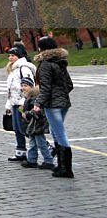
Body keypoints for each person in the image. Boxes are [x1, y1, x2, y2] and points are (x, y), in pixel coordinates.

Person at [33, 36, 74, 178]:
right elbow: (69, 85)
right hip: (64, 102)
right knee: (56, 131)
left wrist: (38, 103)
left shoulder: (45, 65)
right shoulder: (61, 62)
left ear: (41, 48)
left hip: (52, 104)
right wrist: (62, 95)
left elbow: (45, 88)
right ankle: (61, 165)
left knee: (59, 133)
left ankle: (66, 168)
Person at [4, 46, 36, 163]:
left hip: (22, 104)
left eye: (13, 55)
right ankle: (20, 151)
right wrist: (9, 104)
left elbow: (29, 85)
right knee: (17, 128)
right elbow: (11, 89)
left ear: (19, 56)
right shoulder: (13, 69)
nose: (10, 57)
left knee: (25, 128)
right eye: (10, 55)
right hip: (14, 103)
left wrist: (24, 102)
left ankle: (47, 148)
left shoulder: (24, 68)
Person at [19, 76, 54, 170]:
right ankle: (31, 160)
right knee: (32, 143)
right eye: (22, 85)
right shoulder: (29, 97)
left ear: (31, 86)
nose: (23, 88)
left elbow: (38, 111)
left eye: (25, 85)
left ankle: (48, 161)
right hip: (33, 125)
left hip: (38, 124)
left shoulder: (35, 97)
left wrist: (27, 114)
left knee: (41, 143)